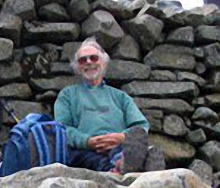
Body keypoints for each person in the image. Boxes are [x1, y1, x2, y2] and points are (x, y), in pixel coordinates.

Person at [54, 38, 164, 174]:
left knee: (125, 149)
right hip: (84, 150)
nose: (88, 62)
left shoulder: (120, 96)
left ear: (103, 63)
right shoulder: (67, 95)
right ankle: (125, 166)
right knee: (92, 159)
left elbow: (140, 126)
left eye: (93, 58)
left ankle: (127, 163)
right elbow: (61, 129)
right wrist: (88, 141)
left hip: (119, 146)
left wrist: (121, 137)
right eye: (83, 60)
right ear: (77, 68)